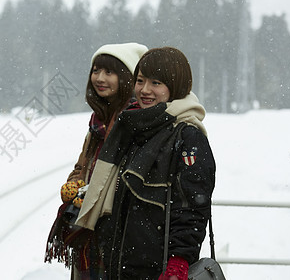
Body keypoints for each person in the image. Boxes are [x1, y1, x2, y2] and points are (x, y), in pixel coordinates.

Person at [74, 46, 216, 280]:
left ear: (176, 86)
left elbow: (193, 207)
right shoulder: (131, 127)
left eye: (156, 83)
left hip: (155, 270)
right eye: (140, 81)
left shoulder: (188, 136)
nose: (144, 90)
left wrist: (178, 263)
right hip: (117, 267)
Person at [45, 42, 148, 280]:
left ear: (127, 78)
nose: (99, 78)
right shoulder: (99, 120)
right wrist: (76, 185)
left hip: (114, 233)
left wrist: (92, 197)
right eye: (96, 70)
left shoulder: (133, 120)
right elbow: (83, 165)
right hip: (90, 228)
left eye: (109, 72)